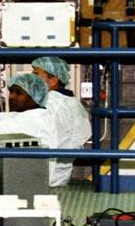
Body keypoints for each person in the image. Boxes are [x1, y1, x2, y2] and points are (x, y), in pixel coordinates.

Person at [31, 55, 92, 186]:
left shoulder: (51, 104)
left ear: (53, 80)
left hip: (44, 177)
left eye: (36, 75)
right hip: (60, 175)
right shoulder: (72, 103)